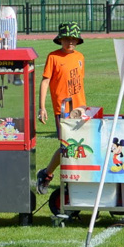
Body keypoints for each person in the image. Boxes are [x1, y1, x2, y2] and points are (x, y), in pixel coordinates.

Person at [36, 22, 86, 195]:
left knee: (82, 147)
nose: (70, 42)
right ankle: (47, 173)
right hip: (63, 111)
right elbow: (45, 81)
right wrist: (42, 107)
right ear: (60, 40)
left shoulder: (80, 57)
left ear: (77, 40)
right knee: (67, 147)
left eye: (73, 39)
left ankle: (77, 180)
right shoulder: (53, 57)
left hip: (80, 110)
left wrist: (84, 108)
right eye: (66, 39)